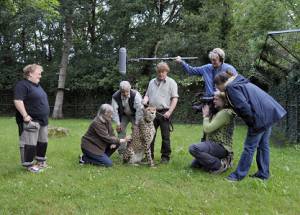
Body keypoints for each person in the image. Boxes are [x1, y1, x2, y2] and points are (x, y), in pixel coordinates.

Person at [214, 71, 287, 181]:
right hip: (269, 113)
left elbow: (243, 107)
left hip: (260, 117)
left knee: (249, 147)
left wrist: (252, 124)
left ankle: (237, 176)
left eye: (216, 85)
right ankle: (263, 174)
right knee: (263, 146)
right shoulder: (239, 82)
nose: (216, 88)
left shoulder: (232, 88)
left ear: (220, 84)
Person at [14, 64, 50, 173]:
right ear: (30, 73)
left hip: (43, 121)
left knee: (42, 143)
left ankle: (40, 163)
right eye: (38, 73)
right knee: (29, 144)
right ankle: (29, 166)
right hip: (31, 122)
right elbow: (18, 101)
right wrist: (25, 116)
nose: (40, 76)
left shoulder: (38, 86)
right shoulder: (22, 85)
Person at [189, 92, 235, 173]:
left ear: (224, 101)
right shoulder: (217, 111)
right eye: (214, 99)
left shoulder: (225, 113)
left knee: (193, 148)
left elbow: (207, 129)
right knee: (195, 165)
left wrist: (205, 116)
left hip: (222, 146)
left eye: (216, 99)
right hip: (213, 144)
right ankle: (224, 160)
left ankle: (220, 165)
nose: (214, 101)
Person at [143, 62, 179, 163]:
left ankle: (165, 157)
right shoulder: (151, 82)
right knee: (150, 135)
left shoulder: (172, 82)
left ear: (166, 72)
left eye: (163, 72)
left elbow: (175, 99)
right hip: (151, 112)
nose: (161, 74)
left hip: (165, 113)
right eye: (159, 72)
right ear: (157, 72)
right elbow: (147, 95)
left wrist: (169, 112)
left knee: (165, 136)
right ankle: (149, 156)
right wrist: (145, 100)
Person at [111, 81, 143, 155]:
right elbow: (114, 111)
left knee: (137, 131)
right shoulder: (115, 96)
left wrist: (136, 124)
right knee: (120, 130)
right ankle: (121, 151)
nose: (125, 94)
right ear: (120, 90)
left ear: (130, 89)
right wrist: (118, 124)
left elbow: (139, 110)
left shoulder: (136, 95)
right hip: (124, 115)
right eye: (123, 92)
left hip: (135, 115)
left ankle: (135, 150)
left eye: (127, 92)